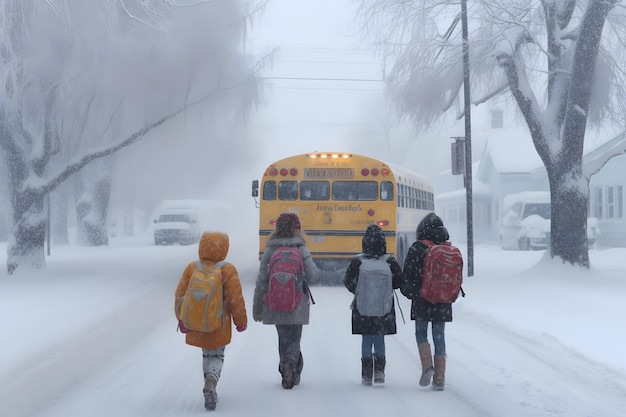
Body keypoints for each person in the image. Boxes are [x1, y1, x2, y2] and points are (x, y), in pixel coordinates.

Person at [174, 231, 248, 410]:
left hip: (196, 320)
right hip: (218, 322)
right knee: (216, 354)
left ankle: (208, 382)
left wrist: (181, 318)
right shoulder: (227, 269)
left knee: (206, 354)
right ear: (224, 248)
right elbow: (234, 298)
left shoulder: (193, 267)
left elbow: (180, 295)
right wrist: (240, 320)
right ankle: (211, 381)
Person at [252, 212, 319, 389]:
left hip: (275, 302)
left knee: (283, 337)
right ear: (297, 229)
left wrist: (257, 306)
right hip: (296, 302)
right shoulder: (300, 249)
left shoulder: (270, 250)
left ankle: (286, 366)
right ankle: (292, 364)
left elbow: (261, 280)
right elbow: (313, 275)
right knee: (295, 337)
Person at [400, 212, 455, 391]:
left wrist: (411, 293)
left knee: (421, 334)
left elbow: (407, 276)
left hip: (422, 298)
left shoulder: (418, 248)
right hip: (443, 299)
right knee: (439, 336)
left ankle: (427, 366)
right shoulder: (447, 249)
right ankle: (440, 377)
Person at [344, 224, 402, 386]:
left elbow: (348, 282)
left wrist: (361, 292)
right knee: (379, 337)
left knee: (366, 338)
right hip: (383, 307)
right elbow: (399, 281)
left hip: (363, 307)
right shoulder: (389, 261)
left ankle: (367, 373)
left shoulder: (358, 262)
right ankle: (379, 372)